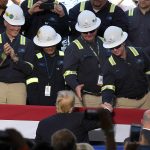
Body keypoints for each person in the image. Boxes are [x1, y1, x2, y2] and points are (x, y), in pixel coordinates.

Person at [63, 10, 110, 107]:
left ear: (97, 28)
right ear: (80, 30)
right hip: (86, 97)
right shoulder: (73, 47)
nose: (89, 34)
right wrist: (75, 86)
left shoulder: (105, 42)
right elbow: (68, 72)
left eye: (92, 30)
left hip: (107, 96)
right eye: (85, 32)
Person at [35, 90, 114, 146]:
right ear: (72, 107)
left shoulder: (43, 123)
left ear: (56, 104)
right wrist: (107, 109)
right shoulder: (82, 117)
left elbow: (37, 146)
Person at [102, 26, 150, 109]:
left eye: (117, 46)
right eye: (111, 48)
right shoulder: (108, 65)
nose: (115, 50)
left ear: (123, 42)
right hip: (125, 104)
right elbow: (108, 87)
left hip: (146, 99)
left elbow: (148, 70)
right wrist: (106, 102)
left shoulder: (139, 52)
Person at [0, 4, 34, 105]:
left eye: (19, 25)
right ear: (5, 23)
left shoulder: (28, 43)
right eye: (13, 25)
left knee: (17, 119)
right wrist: (3, 55)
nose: (16, 28)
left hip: (18, 87)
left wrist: (16, 59)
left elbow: (29, 70)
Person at [26, 25, 65, 106]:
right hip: (39, 102)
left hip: (61, 102)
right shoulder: (35, 58)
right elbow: (31, 82)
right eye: (46, 45)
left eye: (52, 44)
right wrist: (34, 102)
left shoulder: (64, 57)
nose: (50, 47)